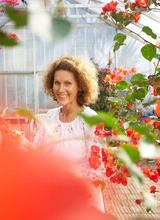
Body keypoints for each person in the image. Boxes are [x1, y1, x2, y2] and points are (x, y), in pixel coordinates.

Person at [32, 54, 106, 211]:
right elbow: (37, 154)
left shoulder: (90, 120)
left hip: (82, 202)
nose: (60, 89)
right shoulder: (50, 116)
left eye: (68, 83)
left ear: (79, 86)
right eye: (57, 83)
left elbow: (96, 172)